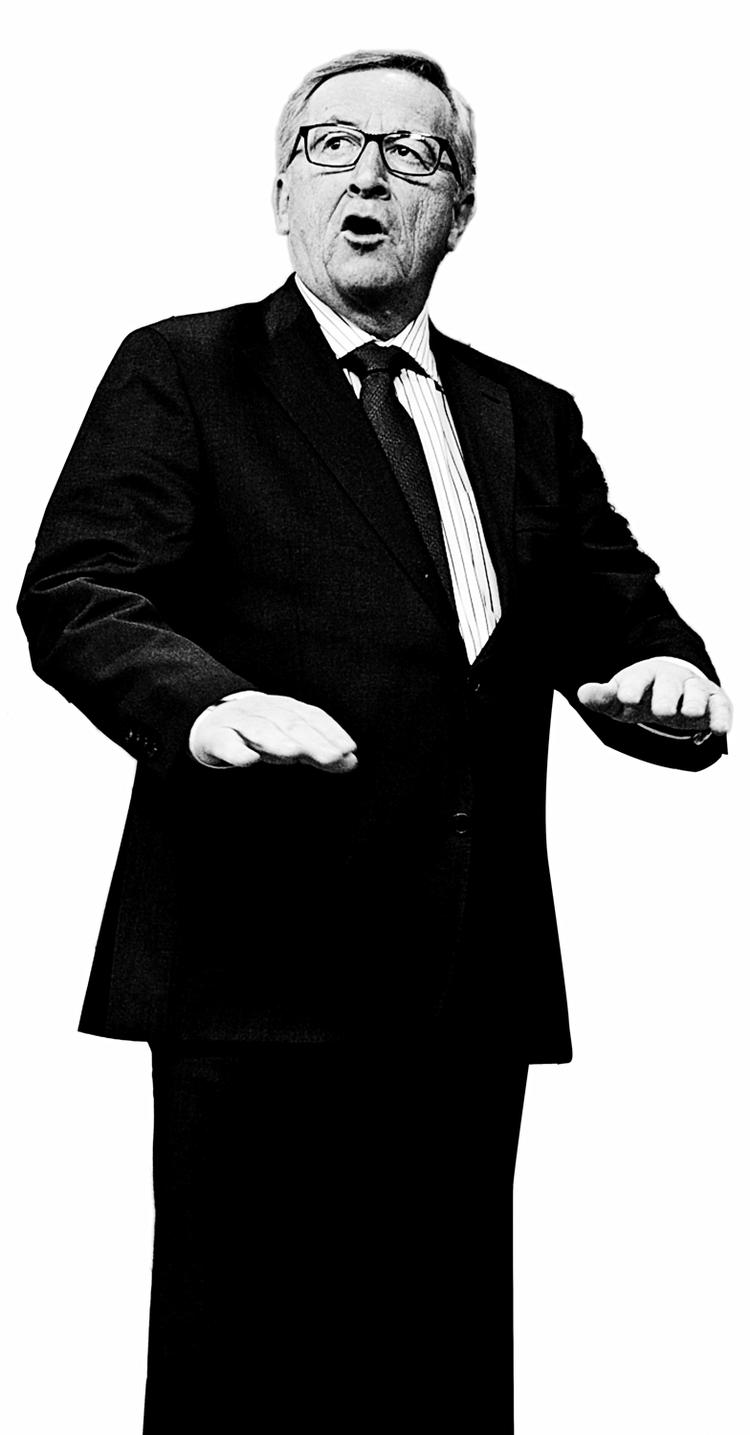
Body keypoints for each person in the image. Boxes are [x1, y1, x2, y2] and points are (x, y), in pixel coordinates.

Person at [17, 47, 732, 1434]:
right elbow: (83, 588)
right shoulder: (185, 371)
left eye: (412, 154)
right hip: (259, 966)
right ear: (281, 190)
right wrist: (204, 704)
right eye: (333, 144)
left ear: (459, 209)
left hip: (467, 983)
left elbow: (614, 607)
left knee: (439, 1381)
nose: (370, 174)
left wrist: (666, 671)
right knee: (246, 1386)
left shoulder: (527, 415)